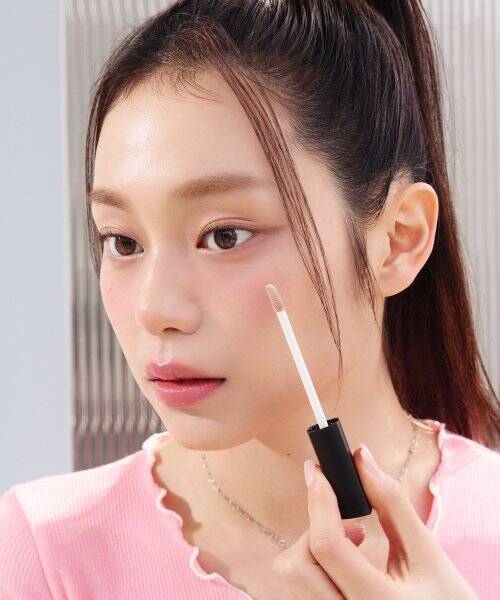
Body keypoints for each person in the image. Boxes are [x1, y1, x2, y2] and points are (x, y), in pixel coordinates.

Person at [1, 1, 499, 598]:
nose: (154, 310)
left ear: (397, 239)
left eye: (225, 236)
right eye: (123, 242)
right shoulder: (45, 552)